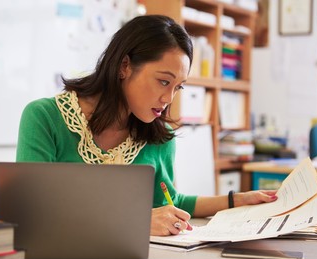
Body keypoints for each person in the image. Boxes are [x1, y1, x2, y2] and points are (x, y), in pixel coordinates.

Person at [16, 15, 277, 236]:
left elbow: (171, 202)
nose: (168, 99)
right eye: (164, 81)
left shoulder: (159, 137)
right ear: (124, 66)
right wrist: (135, 221)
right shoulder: (44, 117)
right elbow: (31, 210)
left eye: (178, 87)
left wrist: (235, 201)